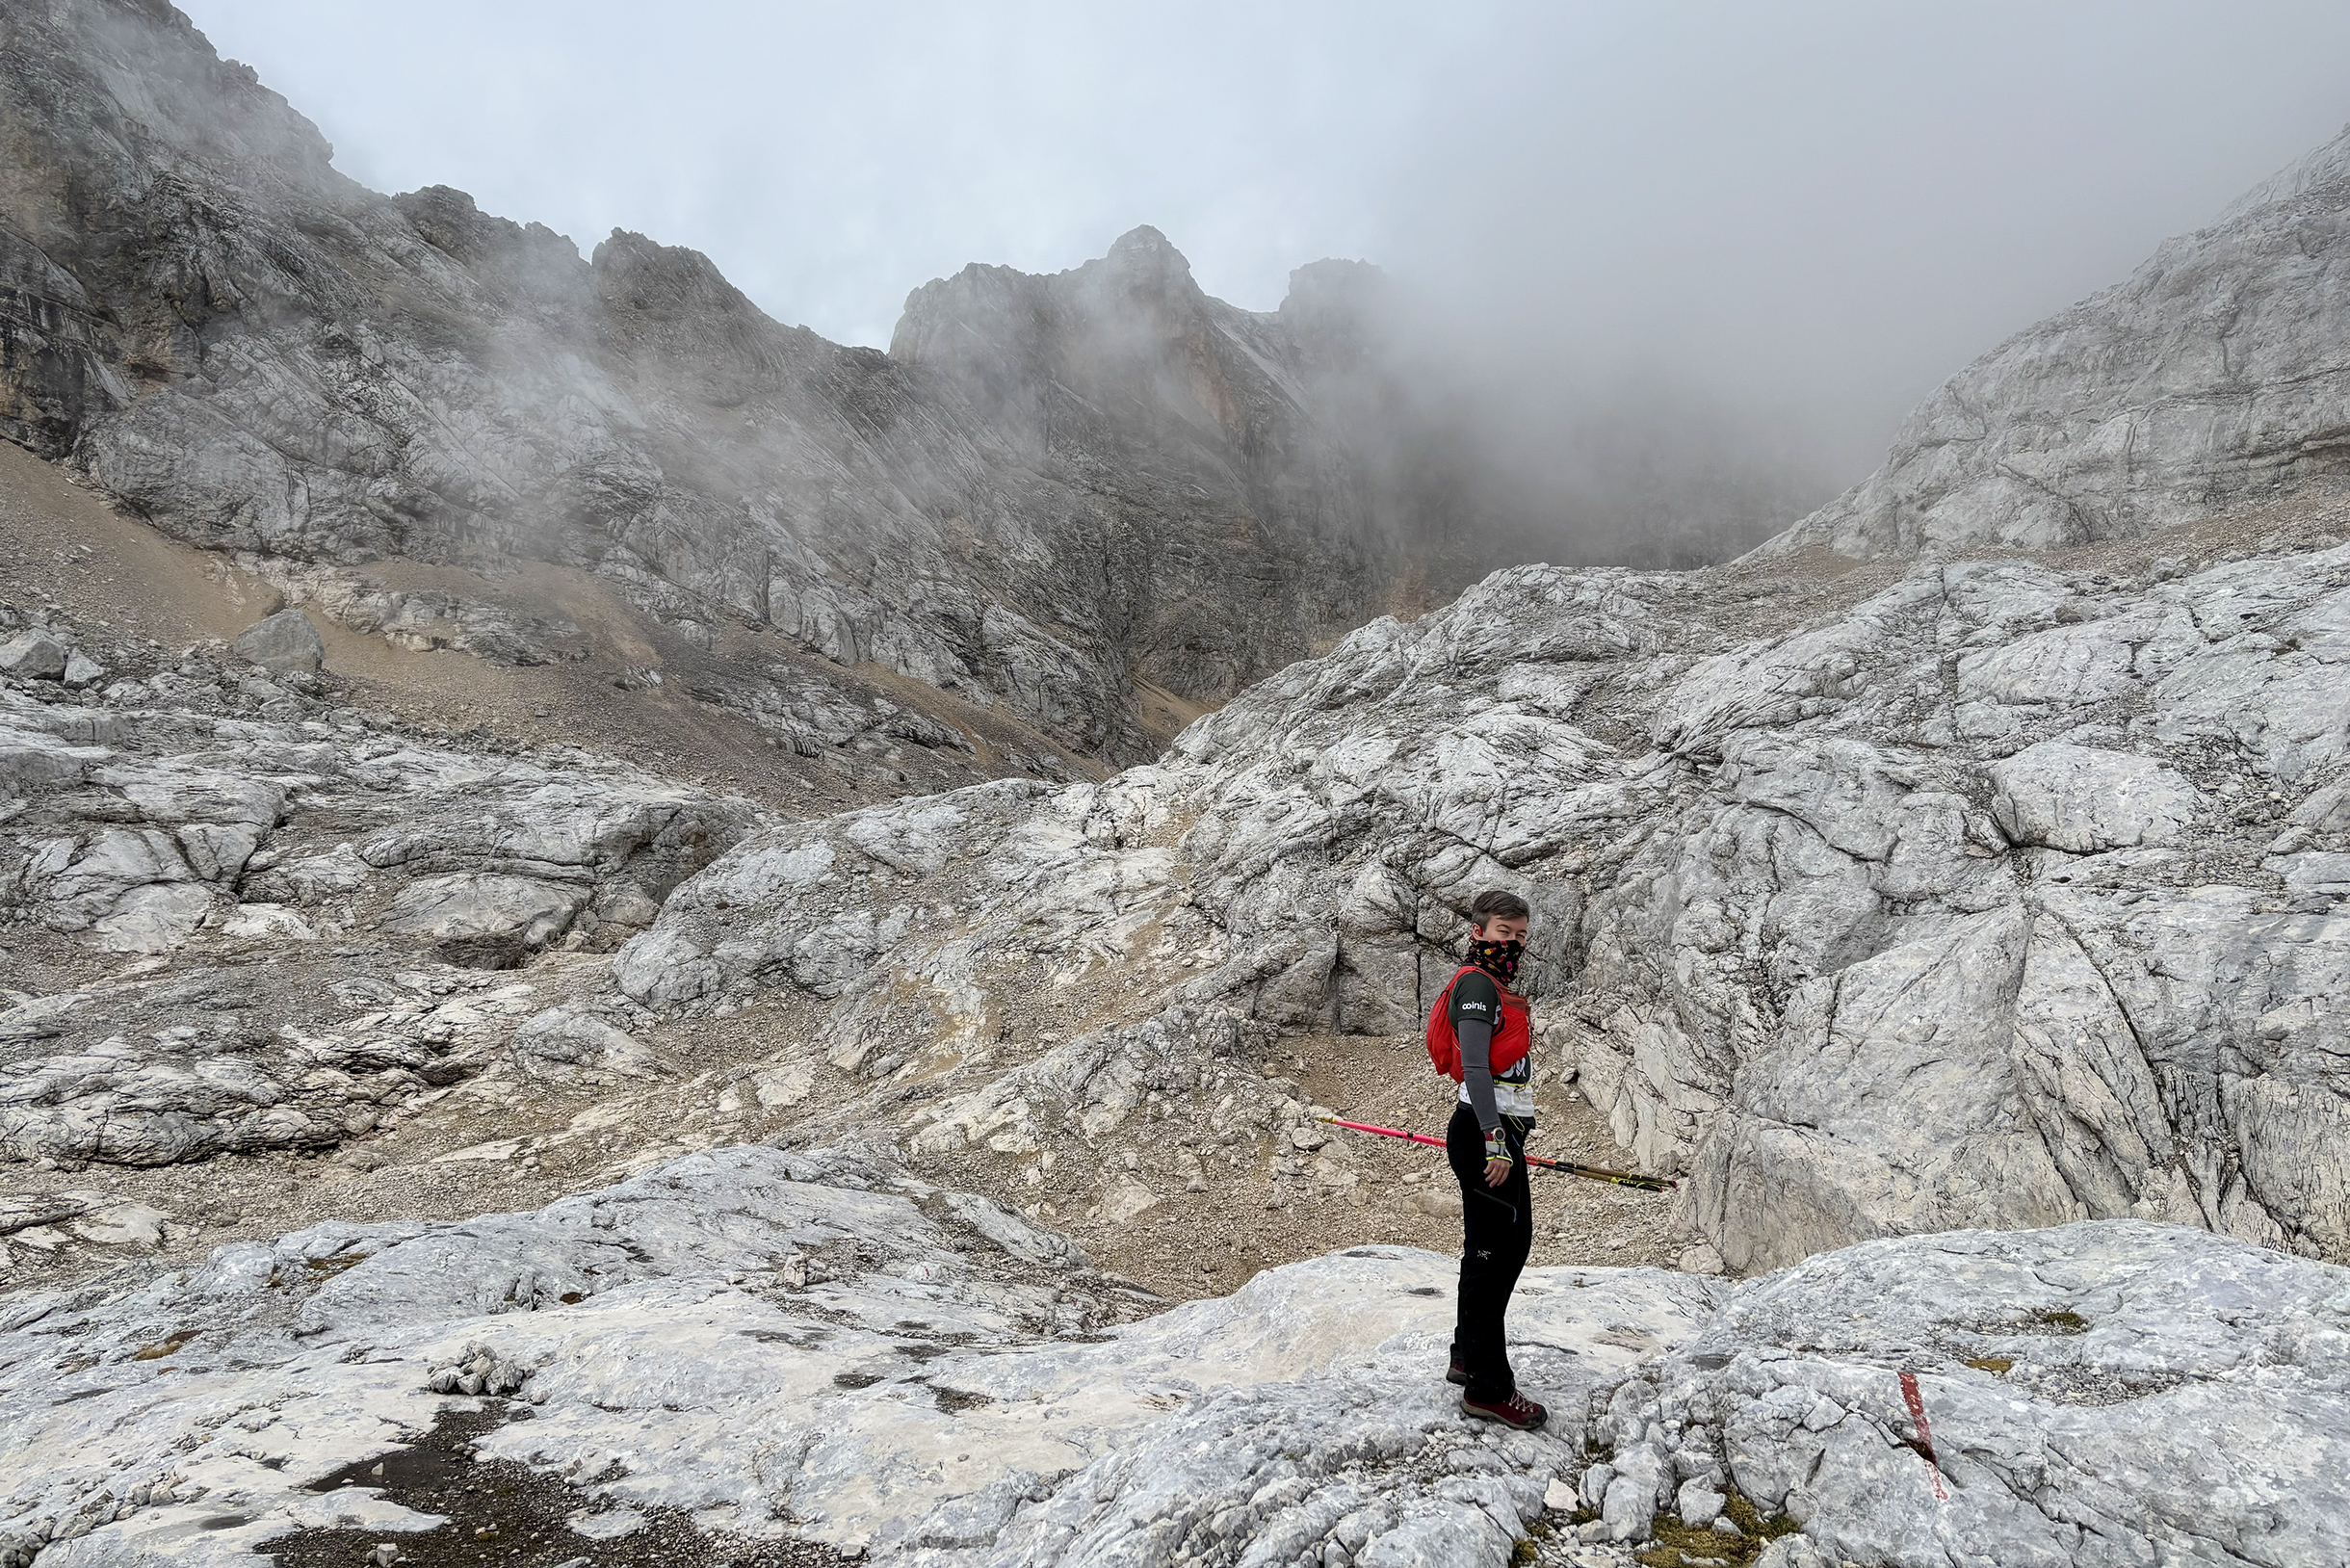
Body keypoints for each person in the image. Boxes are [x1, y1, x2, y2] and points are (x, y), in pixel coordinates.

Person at [1439, 888, 1547, 1429]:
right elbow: (1476, 1069)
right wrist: (1494, 1139)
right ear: (1479, 931)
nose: (1514, 944)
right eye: (1505, 933)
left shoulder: (1490, 984)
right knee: (1499, 1252)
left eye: (1521, 936)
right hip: (1487, 1134)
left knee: (1489, 1247)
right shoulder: (1478, 985)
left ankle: (1466, 1355)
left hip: (1495, 1130)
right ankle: (1489, 1386)